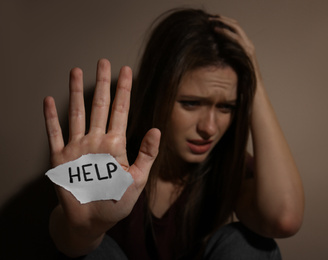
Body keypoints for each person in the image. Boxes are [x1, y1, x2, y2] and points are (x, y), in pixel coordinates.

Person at [43, 8, 304, 260]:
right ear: (159, 94)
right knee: (92, 250)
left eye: (226, 107)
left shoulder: (226, 167)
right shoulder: (115, 157)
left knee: (250, 244)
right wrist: (87, 229)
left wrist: (252, 78)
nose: (209, 128)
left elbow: (284, 218)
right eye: (191, 103)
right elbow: (64, 239)